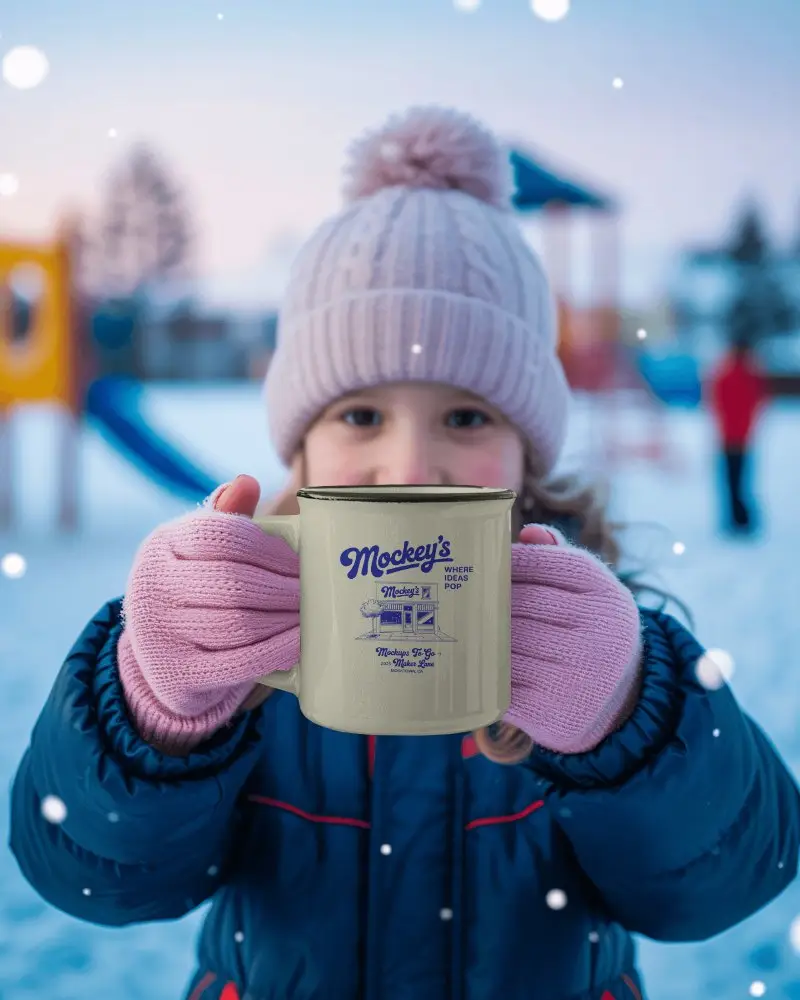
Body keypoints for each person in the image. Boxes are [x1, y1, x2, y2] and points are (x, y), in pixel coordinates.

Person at [10, 107, 800, 1000]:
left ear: (528, 455)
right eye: (360, 416)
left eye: (466, 416)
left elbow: (728, 883)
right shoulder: (237, 657)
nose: (411, 469)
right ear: (298, 455)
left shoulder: (601, 643)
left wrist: (627, 714)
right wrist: (152, 707)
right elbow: (97, 880)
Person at [707, 338, 769, 534]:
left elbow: (716, 400)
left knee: (732, 481)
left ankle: (738, 519)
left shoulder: (727, 373)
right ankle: (741, 519)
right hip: (742, 436)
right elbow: (760, 399)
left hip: (730, 436)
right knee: (740, 480)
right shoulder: (750, 374)